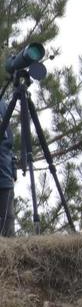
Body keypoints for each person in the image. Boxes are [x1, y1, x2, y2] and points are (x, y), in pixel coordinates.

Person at [0, 100, 15, 236]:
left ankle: (9, 251)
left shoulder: (2, 104)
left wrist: (13, 172)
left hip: (6, 181)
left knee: (8, 218)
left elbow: (10, 146)